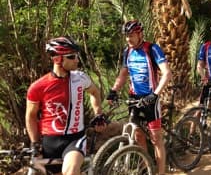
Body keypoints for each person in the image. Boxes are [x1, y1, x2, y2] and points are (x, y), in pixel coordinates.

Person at [26, 37, 106, 175]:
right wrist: (35, 143)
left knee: (70, 171)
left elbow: (94, 92)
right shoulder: (38, 86)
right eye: (72, 56)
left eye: (76, 56)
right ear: (57, 59)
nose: (76, 60)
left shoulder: (80, 78)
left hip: (75, 139)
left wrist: (98, 114)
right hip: (49, 142)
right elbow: (31, 116)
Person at [107, 19, 172, 175]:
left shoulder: (152, 49)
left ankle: (161, 172)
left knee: (156, 138)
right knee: (138, 135)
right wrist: (114, 90)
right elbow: (123, 74)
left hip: (151, 98)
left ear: (140, 34)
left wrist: (155, 94)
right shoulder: (127, 52)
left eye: (131, 35)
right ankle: (147, 166)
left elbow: (167, 73)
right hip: (134, 97)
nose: (128, 39)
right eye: (126, 36)